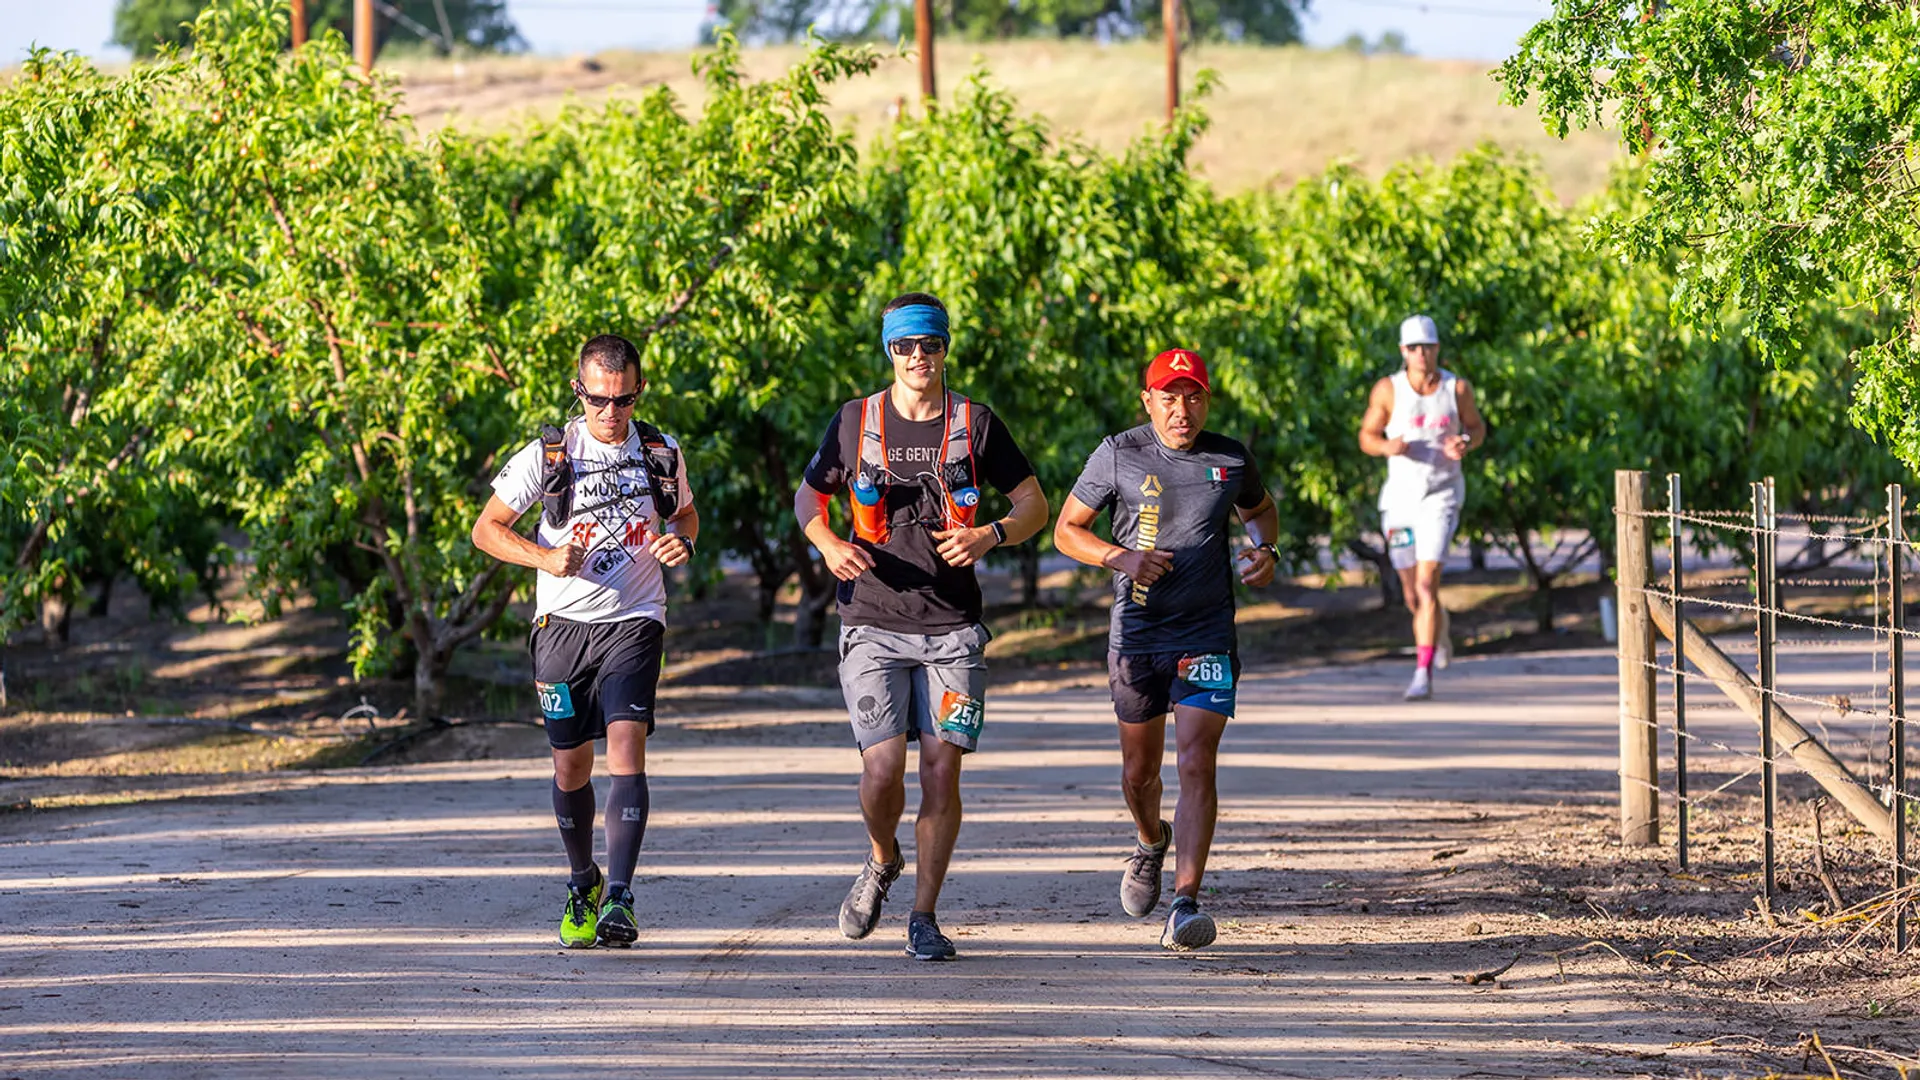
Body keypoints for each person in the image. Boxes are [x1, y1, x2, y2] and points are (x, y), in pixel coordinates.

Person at [793, 292, 1049, 961]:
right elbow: (809, 496)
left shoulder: (975, 421)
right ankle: (882, 859)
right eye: (904, 346)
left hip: (953, 627)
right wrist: (825, 542)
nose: (917, 358)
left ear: (944, 348)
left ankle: (924, 917)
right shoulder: (856, 419)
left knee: (943, 773)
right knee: (882, 772)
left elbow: (1033, 504)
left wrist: (992, 534)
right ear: (889, 351)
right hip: (872, 618)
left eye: (928, 345)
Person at [470, 333, 698, 949]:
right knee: (571, 764)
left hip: (635, 618)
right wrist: (544, 557)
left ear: (637, 393)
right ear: (579, 390)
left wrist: (683, 540)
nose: (611, 413)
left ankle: (619, 898)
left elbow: (684, 514)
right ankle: (582, 880)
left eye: (623, 401)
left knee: (627, 746)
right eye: (599, 400)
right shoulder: (548, 454)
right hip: (562, 629)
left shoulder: (660, 451)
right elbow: (485, 530)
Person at [1053, 348, 1280, 951]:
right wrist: (1119, 556)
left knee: (1196, 762)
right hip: (1138, 635)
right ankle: (1150, 840)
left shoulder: (1229, 457)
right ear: (1148, 400)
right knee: (1139, 773)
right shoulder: (1118, 453)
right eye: (1170, 397)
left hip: (1206, 632)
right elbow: (1065, 529)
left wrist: (1266, 550)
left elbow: (1260, 511)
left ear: (1208, 399)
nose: (1184, 410)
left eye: (1195, 396)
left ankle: (1185, 905)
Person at [1357, 314, 1487, 701]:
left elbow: (1478, 428)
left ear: (1437, 348)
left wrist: (1464, 441)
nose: (1420, 353)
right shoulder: (1389, 390)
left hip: (1442, 494)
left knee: (1429, 584)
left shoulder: (1456, 388)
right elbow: (1366, 435)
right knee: (1414, 596)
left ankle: (1422, 672)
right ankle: (1439, 633)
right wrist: (1386, 447)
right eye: (1413, 347)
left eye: (1427, 346)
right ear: (1403, 351)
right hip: (1399, 501)